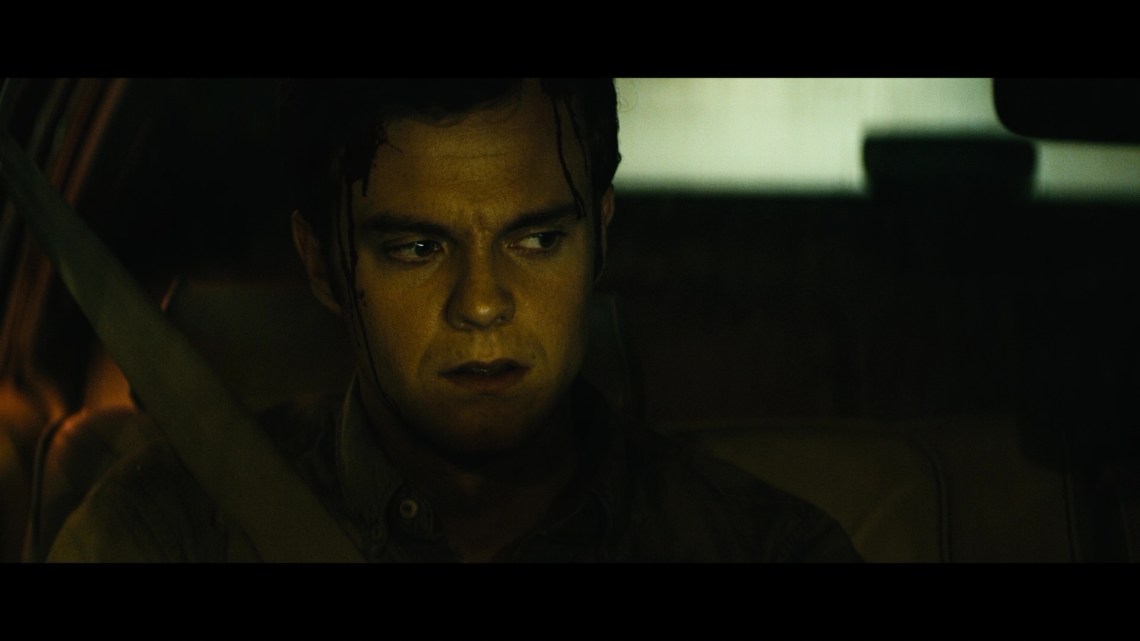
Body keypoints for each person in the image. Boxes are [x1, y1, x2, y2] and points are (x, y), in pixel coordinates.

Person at [47, 78, 860, 562]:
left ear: (600, 240)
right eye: (417, 248)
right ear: (324, 266)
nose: (481, 303)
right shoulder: (166, 534)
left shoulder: (762, 547)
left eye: (537, 240)